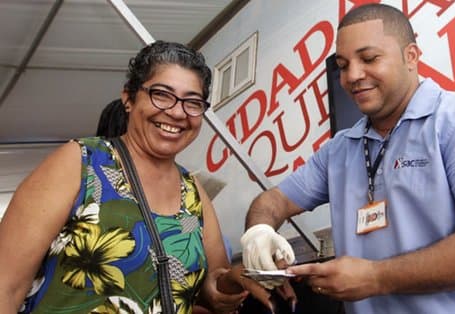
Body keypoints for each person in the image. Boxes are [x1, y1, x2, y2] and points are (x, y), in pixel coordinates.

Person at [240, 3, 455, 314]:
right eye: (343, 64)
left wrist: (376, 277)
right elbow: (273, 201)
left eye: (369, 59)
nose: (352, 75)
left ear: (411, 56)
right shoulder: (340, 149)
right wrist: (259, 233)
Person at [0, 40, 275, 314]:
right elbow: (6, 286)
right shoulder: (80, 162)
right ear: (129, 99)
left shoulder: (192, 192)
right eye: (162, 95)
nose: (177, 112)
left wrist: (236, 277)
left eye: (192, 102)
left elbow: (211, 292)